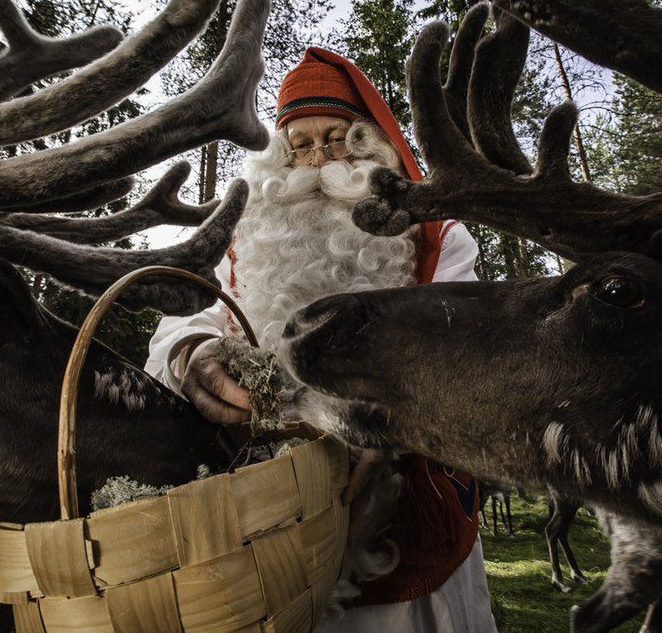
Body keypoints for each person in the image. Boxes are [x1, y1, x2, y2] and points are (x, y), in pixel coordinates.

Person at [145, 47, 495, 631]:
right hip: (261, 518)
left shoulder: (439, 238)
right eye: (300, 146)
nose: (317, 162)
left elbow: (465, 349)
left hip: (401, 508)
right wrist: (195, 353)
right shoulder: (240, 245)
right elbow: (185, 320)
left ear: (370, 147)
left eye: (336, 140)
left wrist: (385, 420)